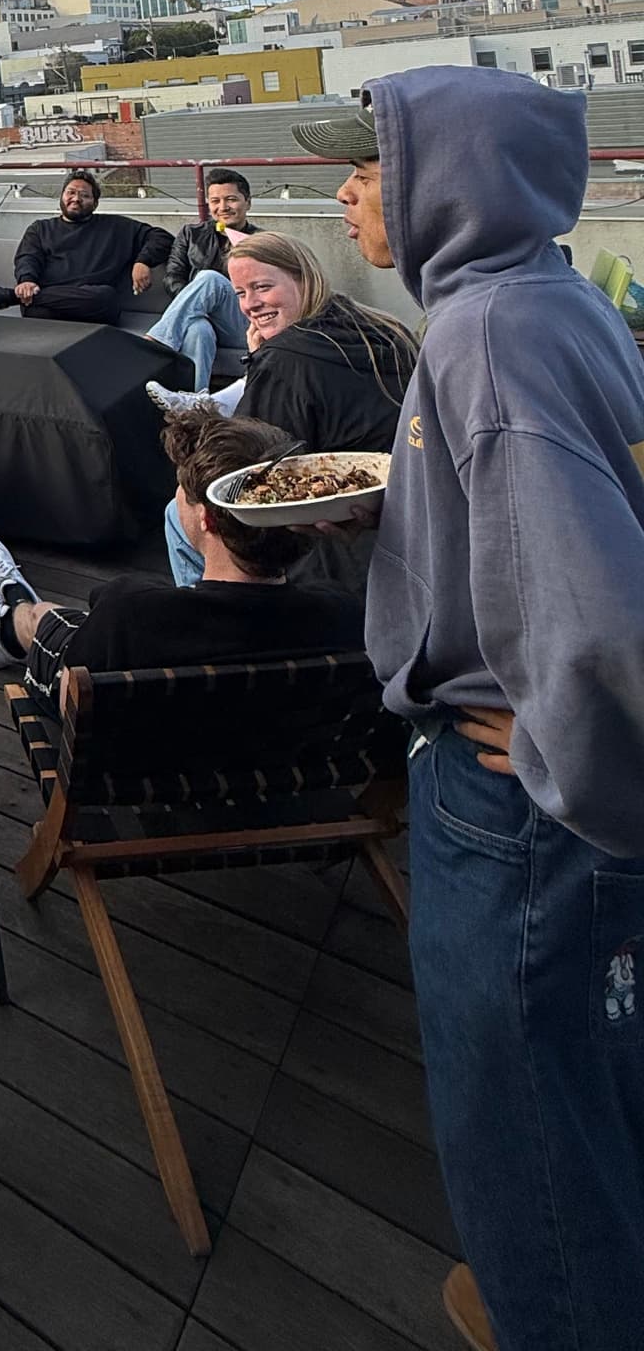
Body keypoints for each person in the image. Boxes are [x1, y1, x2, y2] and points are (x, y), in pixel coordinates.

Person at [295, 69, 644, 1351]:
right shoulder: (558, 298)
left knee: (521, 1119)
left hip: (514, 804)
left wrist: (563, 758)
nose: (345, 198)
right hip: (554, 798)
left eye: (366, 170)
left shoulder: (479, 339)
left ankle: (552, 1312)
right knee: (590, 1091)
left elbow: (598, 618)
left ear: (450, 183)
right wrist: (404, 516)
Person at [0, 408, 362, 683]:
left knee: (45, 618)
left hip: (142, 756)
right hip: (280, 763)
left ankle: (9, 620)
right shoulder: (343, 616)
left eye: (181, 489)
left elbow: (70, 693)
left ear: (206, 518)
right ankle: (10, 599)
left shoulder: (132, 613)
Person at [158, 231, 415, 590]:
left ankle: (215, 613)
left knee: (181, 507)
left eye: (262, 287)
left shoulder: (287, 359)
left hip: (328, 546)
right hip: (403, 517)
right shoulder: (385, 328)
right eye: (240, 293)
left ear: (304, 279)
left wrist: (261, 363)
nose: (250, 305)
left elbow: (243, 463)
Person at [145, 168, 259, 389]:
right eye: (215, 201)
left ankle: (157, 343)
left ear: (248, 202)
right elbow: (172, 277)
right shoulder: (191, 234)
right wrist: (199, 303)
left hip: (239, 319)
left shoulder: (262, 240)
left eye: (231, 199)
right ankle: (197, 401)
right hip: (200, 316)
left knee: (209, 278)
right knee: (198, 329)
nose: (223, 207)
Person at [11, 169, 171, 324]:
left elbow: (161, 237)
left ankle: (10, 297)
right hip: (45, 308)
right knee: (33, 304)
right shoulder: (40, 229)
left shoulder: (115, 227)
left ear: (95, 204)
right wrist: (27, 281)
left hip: (92, 306)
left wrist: (143, 261)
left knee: (106, 298)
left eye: (84, 195)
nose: (76, 198)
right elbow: (28, 258)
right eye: (71, 192)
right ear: (61, 196)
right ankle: (33, 298)